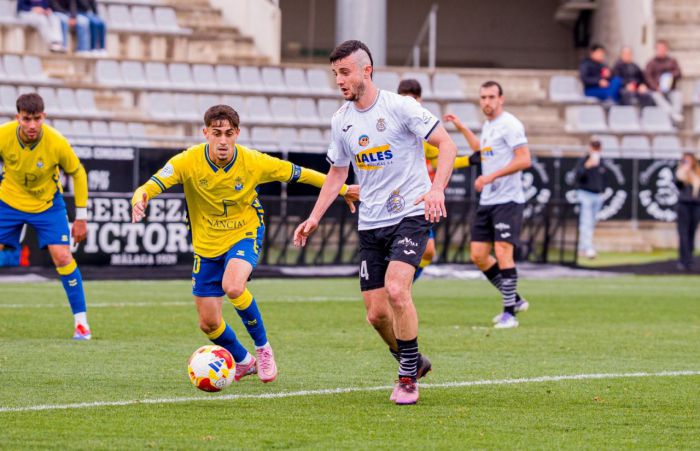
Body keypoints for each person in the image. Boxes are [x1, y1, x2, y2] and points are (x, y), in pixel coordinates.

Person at [131, 104, 358, 384]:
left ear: (237, 133)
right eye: (217, 133)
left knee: (234, 286)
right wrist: (140, 198)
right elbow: (150, 186)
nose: (223, 140)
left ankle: (263, 349)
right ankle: (244, 360)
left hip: (244, 233)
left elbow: (301, 173)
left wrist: (343, 189)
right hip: (206, 246)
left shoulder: (253, 161)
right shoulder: (187, 161)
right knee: (209, 323)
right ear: (205, 133)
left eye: (229, 133)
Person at [293, 40, 457, 405]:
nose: (339, 80)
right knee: (376, 314)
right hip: (370, 222)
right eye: (335, 74)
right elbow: (338, 173)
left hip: (410, 213)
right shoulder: (341, 120)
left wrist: (436, 190)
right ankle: (413, 360)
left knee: (397, 291)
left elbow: (447, 145)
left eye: (345, 72)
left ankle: (407, 379)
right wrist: (314, 217)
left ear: (366, 71)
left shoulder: (400, 107)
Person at [0, 93, 91, 339]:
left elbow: (78, 173)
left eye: (37, 119)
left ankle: (81, 324)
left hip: (47, 204)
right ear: (17, 117)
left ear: (44, 117)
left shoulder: (56, 141)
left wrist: (81, 217)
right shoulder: (3, 135)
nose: (32, 125)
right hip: (8, 202)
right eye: (26, 119)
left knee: (62, 256)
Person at [396, 78, 480, 280]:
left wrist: (468, 161)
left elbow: (438, 161)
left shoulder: (423, 133)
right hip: (394, 199)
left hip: (415, 199)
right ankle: (392, 286)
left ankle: (404, 285)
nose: (409, 103)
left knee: (428, 251)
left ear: (420, 100)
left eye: (413, 98)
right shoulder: (392, 129)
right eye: (404, 98)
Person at [469, 81, 531, 330]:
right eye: (483, 97)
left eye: (491, 97)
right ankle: (514, 298)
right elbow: (482, 152)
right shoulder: (488, 126)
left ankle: (509, 314)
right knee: (478, 255)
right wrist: (461, 127)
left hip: (508, 200)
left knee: (503, 252)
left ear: (501, 99)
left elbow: (524, 159)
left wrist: (491, 177)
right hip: (488, 200)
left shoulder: (510, 124)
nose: (487, 101)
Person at [574, 139, 607, 260]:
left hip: (597, 195)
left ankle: (583, 248)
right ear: (589, 147)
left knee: (591, 223)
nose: (595, 149)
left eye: (597, 146)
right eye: (594, 146)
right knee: (586, 221)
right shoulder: (584, 160)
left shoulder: (602, 161)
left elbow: (604, 179)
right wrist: (587, 166)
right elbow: (577, 176)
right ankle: (588, 248)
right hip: (585, 194)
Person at [645, 40, 684, 124]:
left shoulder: (672, 61)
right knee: (656, 96)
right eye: (659, 48)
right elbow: (648, 77)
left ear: (666, 49)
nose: (661, 50)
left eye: (663, 48)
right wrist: (656, 87)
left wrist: (670, 75)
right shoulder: (651, 63)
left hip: (671, 89)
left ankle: (674, 119)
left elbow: (679, 73)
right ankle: (673, 114)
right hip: (657, 90)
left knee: (678, 95)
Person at [674, 153, 700, 271]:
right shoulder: (681, 173)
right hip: (684, 205)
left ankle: (689, 258)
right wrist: (685, 170)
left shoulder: (697, 174)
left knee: (691, 232)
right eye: (685, 160)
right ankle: (683, 259)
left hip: (696, 205)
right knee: (683, 233)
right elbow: (678, 184)